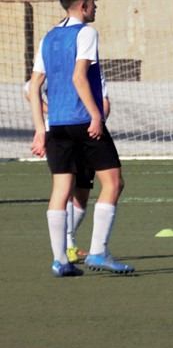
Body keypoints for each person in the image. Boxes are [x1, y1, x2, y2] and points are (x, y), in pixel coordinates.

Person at [29, 0, 133, 277]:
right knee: (113, 183)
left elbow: (34, 86)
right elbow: (79, 77)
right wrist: (95, 116)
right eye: (93, 3)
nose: (96, 8)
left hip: (57, 126)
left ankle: (60, 260)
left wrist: (40, 130)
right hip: (82, 121)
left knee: (61, 189)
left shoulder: (48, 37)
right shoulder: (86, 33)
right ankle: (98, 252)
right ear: (84, 5)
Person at [24, 77, 112, 264]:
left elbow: (104, 101)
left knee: (82, 193)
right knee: (66, 187)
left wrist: (98, 121)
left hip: (88, 133)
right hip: (61, 131)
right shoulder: (52, 67)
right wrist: (51, 113)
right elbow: (29, 90)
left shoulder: (95, 70)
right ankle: (67, 246)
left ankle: (68, 242)